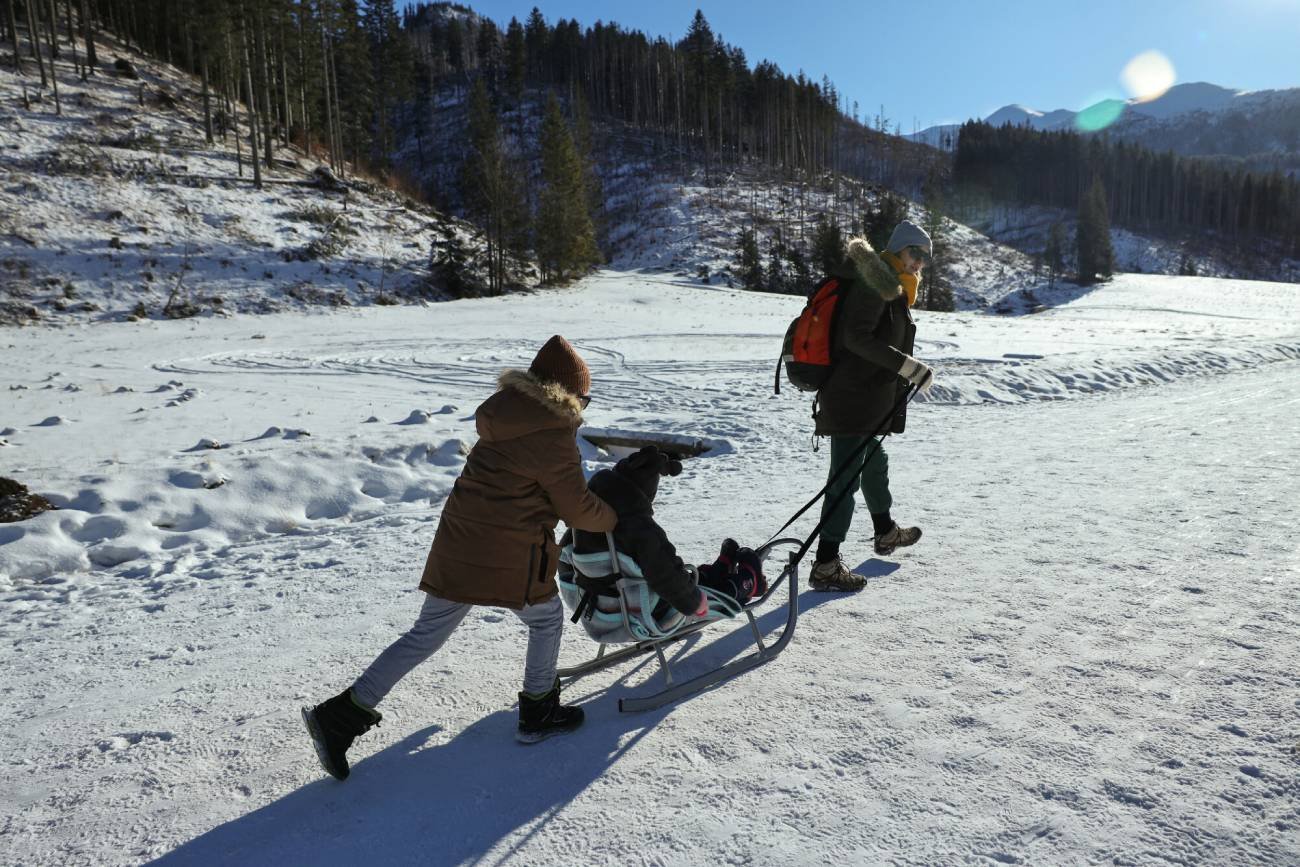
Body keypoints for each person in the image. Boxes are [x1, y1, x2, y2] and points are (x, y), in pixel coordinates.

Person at [303, 335, 617, 780]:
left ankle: (340, 715)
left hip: (460, 542)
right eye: (585, 396)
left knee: (425, 634)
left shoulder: (505, 417)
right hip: (507, 552)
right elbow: (577, 509)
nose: (586, 405)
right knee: (545, 619)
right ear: (568, 394)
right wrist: (615, 517)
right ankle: (538, 712)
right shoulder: (552, 434)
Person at [809, 220, 935, 591]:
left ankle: (885, 531)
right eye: (916, 253)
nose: (920, 263)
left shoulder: (892, 286)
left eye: (925, 257)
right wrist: (908, 367)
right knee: (844, 481)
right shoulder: (874, 282)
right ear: (898, 250)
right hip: (851, 399)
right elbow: (856, 338)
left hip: (866, 400)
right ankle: (826, 564)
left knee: (874, 464)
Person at [565, 446, 766, 625]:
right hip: (643, 612)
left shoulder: (586, 516)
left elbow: (563, 555)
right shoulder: (639, 526)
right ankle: (746, 583)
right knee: (696, 588)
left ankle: (718, 571)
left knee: (686, 578)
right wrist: (693, 603)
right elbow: (663, 572)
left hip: (599, 608)